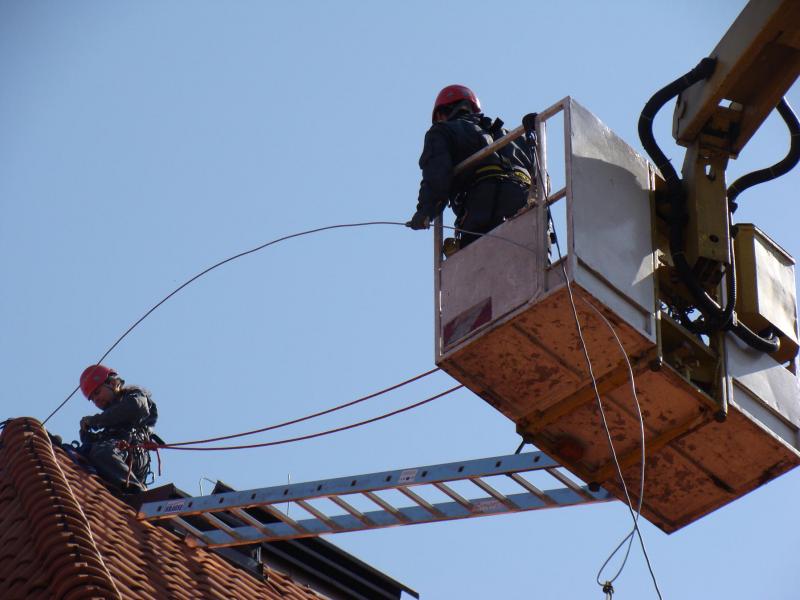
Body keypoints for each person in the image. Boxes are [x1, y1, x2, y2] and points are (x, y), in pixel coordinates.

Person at [407, 84, 534, 247]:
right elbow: (543, 181)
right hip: (527, 206)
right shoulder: (514, 136)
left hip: (484, 207)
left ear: (440, 114)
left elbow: (437, 176)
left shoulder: (442, 131)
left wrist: (425, 212)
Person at [79, 364, 159, 493]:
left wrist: (95, 421)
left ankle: (136, 491)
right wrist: (87, 435)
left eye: (97, 392)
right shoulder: (109, 420)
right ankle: (122, 490)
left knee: (101, 452)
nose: (96, 400)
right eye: (92, 399)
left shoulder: (134, 397)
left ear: (112, 384)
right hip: (118, 452)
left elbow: (135, 407)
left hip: (134, 451)